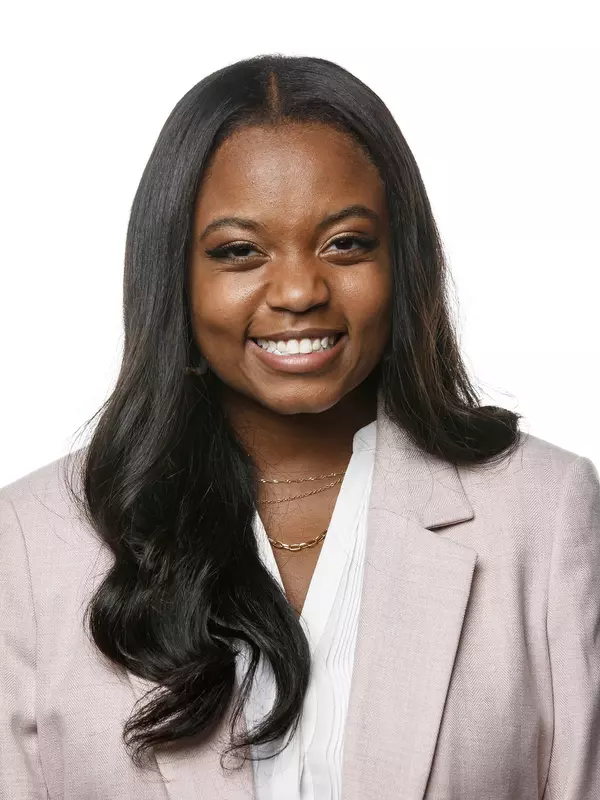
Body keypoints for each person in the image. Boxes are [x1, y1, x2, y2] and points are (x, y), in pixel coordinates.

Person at [1, 53, 598, 800]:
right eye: (240, 252)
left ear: (401, 260)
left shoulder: (542, 511)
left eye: (345, 243)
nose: (298, 290)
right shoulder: (31, 540)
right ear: (173, 276)